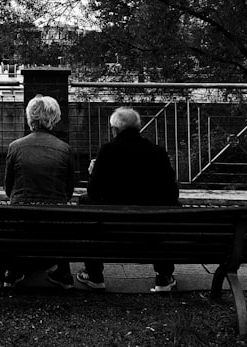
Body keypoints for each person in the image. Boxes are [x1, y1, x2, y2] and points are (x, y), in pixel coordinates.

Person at [77, 106, 180, 292]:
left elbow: (93, 192)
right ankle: (164, 275)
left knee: (85, 202)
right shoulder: (157, 152)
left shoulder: (107, 151)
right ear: (138, 127)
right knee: (168, 208)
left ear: (114, 129)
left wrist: (93, 173)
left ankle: (94, 274)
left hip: (112, 228)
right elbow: (172, 194)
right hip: (150, 229)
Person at [2, 94, 77, 289]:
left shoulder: (15, 147)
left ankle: (14, 270)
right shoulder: (65, 149)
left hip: (22, 222)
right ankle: (63, 272)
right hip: (55, 223)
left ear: (30, 118)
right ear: (54, 119)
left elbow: (8, 189)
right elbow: (68, 191)